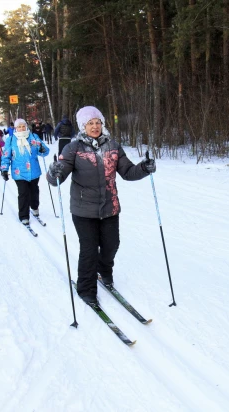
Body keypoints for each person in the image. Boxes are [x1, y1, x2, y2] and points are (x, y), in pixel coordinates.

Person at [46, 106, 156, 305]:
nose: (95, 126)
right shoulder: (73, 148)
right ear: (82, 126)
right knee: (88, 249)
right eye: (90, 123)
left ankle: (104, 270)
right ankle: (86, 289)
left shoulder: (113, 146)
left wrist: (144, 168)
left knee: (111, 245)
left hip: (110, 207)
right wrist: (54, 173)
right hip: (83, 209)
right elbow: (58, 176)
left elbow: (128, 172)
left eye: (98, 122)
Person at [0, 118, 50, 225]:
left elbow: (45, 151)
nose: (21, 128)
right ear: (16, 128)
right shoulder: (11, 139)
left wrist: (42, 149)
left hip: (34, 171)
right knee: (23, 193)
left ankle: (34, 207)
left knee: (34, 191)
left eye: (23, 126)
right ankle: (24, 216)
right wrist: (4, 169)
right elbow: (5, 156)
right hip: (19, 172)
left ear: (26, 126)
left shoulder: (33, 137)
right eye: (19, 126)